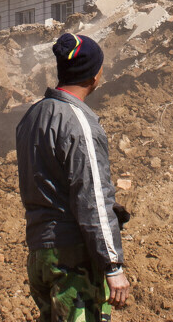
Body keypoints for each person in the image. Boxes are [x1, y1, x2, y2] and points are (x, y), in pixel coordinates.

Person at [16, 33, 130, 320]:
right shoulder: (79, 123)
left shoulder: (33, 116)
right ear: (94, 75)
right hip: (72, 259)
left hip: (40, 254)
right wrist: (113, 266)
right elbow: (93, 198)